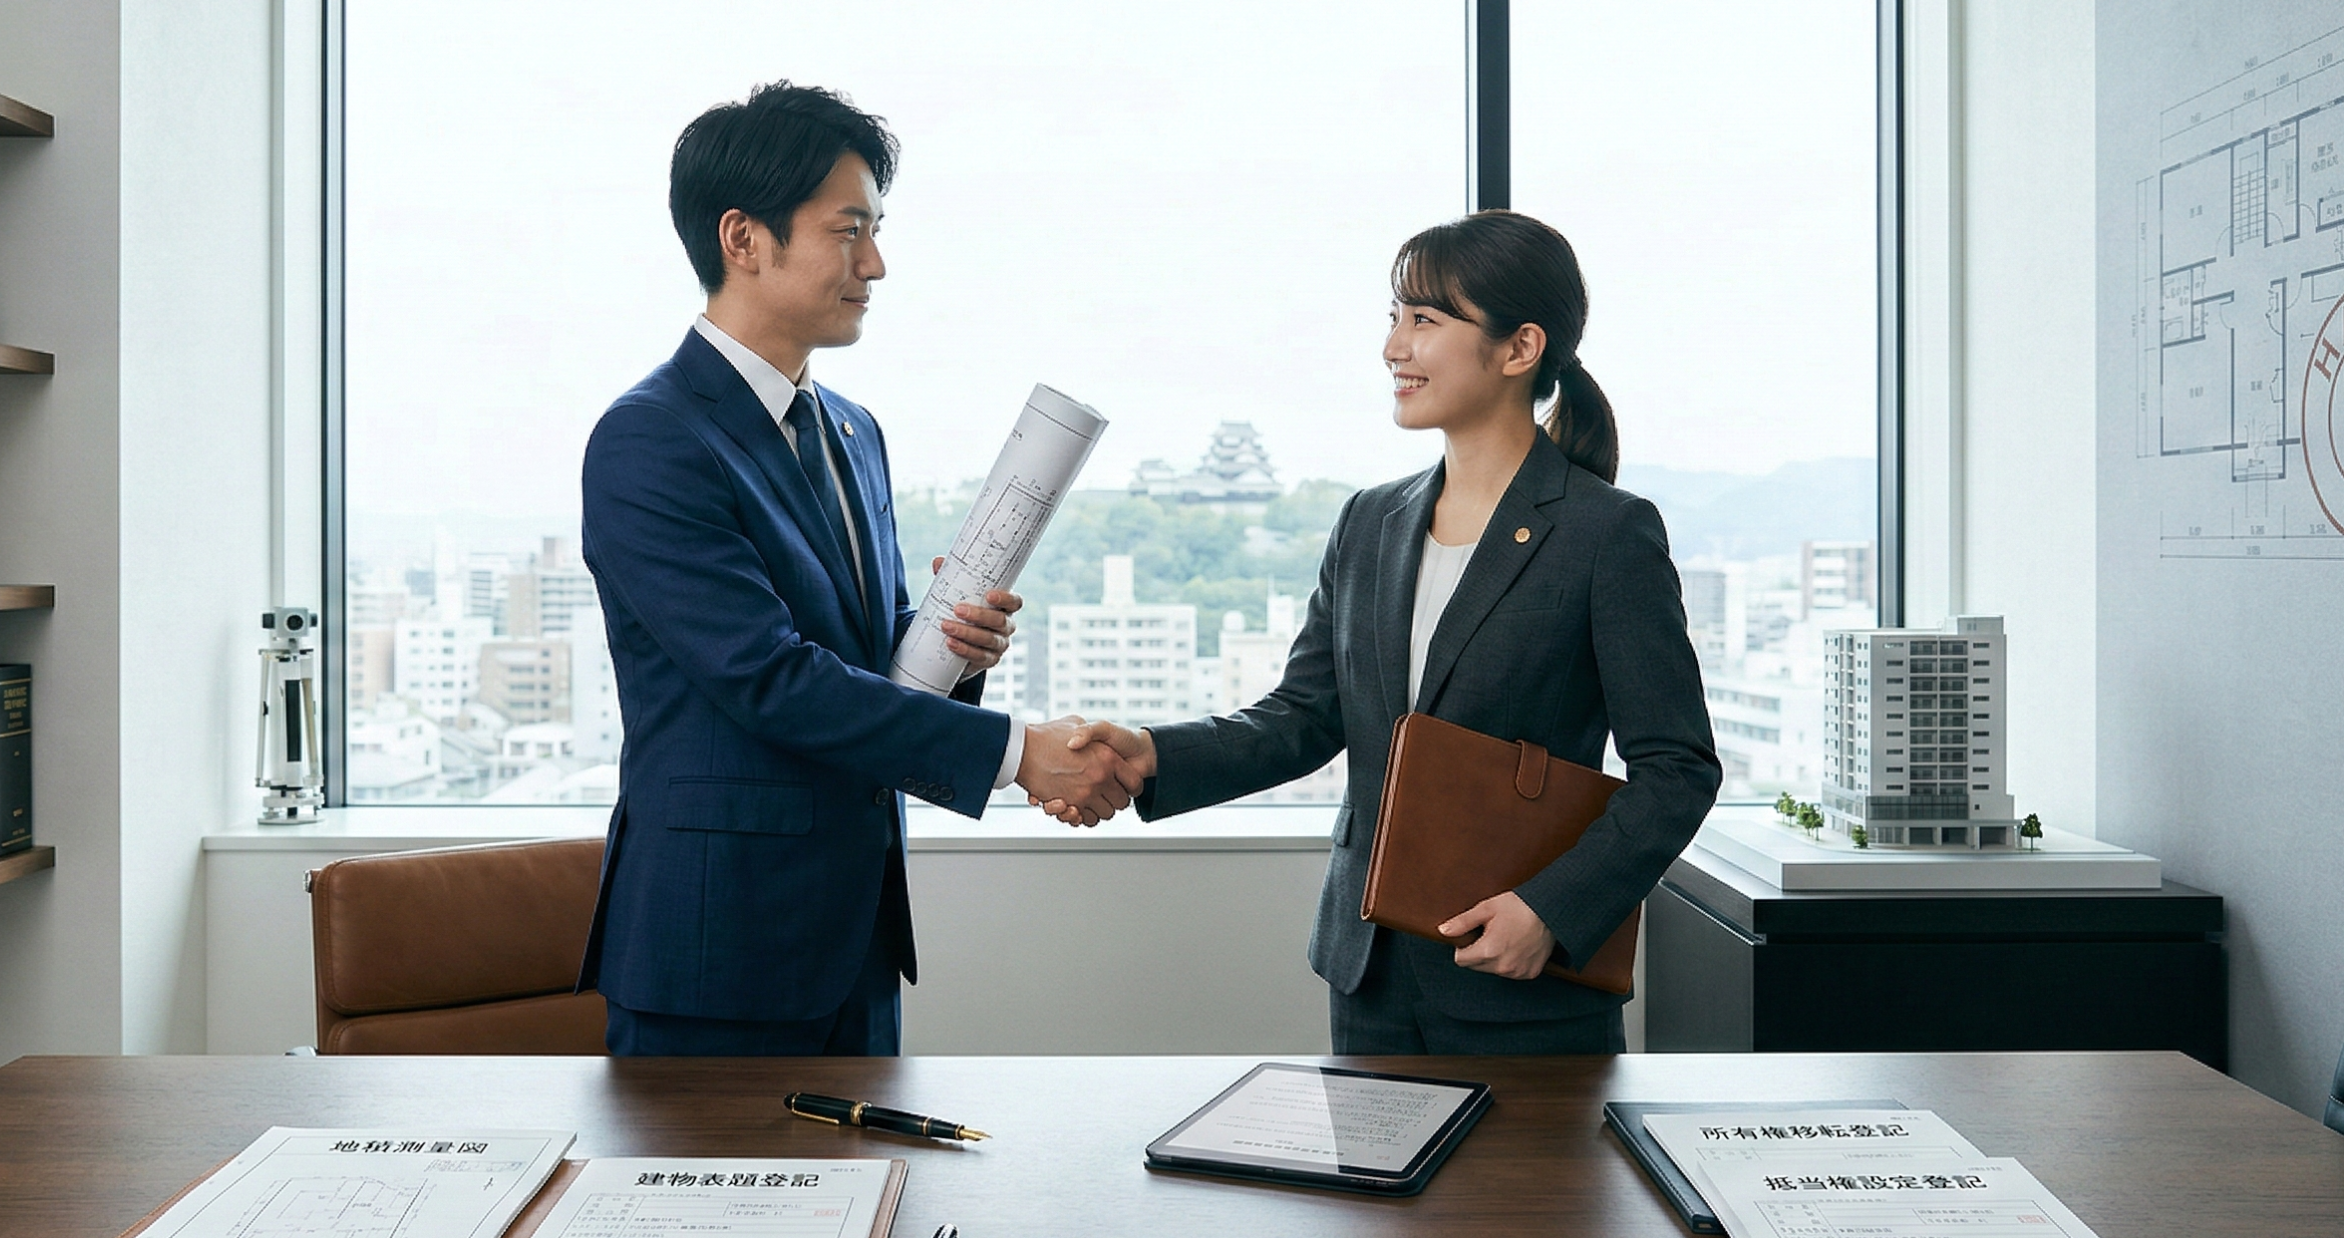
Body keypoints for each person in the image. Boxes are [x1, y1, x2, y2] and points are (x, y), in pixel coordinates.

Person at [1057, 210, 1720, 1055]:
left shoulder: (1606, 533)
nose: (1393, 347)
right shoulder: (1370, 522)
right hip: (1368, 974)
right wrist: (1153, 753)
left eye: (1425, 320)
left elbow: (1677, 769)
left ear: (1520, 348)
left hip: (1521, 985)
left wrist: (1552, 911)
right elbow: (1304, 717)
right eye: (1395, 316)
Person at [577, 82, 1133, 1057]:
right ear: (743, 239)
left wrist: (952, 649)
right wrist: (1016, 753)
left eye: (876, 232)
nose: (874, 264)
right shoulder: (650, 439)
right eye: (849, 231)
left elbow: (861, 656)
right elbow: (768, 677)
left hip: (857, 935)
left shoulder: (852, 430)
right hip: (717, 948)